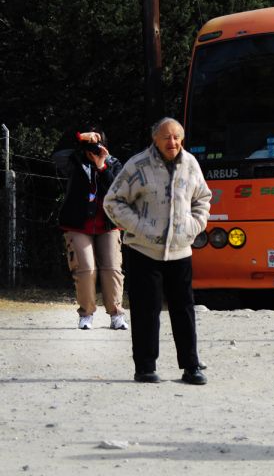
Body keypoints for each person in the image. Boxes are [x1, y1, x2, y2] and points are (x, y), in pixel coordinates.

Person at [103, 118, 212, 385]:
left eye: (176, 137)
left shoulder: (191, 164)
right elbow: (112, 201)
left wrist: (192, 226)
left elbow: (203, 199)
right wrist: (140, 227)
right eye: (166, 137)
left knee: (184, 310)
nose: (172, 142)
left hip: (180, 250)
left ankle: (191, 367)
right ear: (155, 139)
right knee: (145, 310)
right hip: (144, 250)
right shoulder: (138, 165)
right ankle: (145, 368)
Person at [52, 127, 128, 331]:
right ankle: (86, 314)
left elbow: (116, 189)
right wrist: (78, 136)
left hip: (107, 224)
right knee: (85, 269)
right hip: (77, 224)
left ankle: (116, 315)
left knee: (112, 268)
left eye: (98, 141)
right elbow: (57, 152)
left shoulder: (113, 163)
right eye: (91, 142)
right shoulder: (73, 160)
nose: (95, 146)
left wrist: (102, 165)